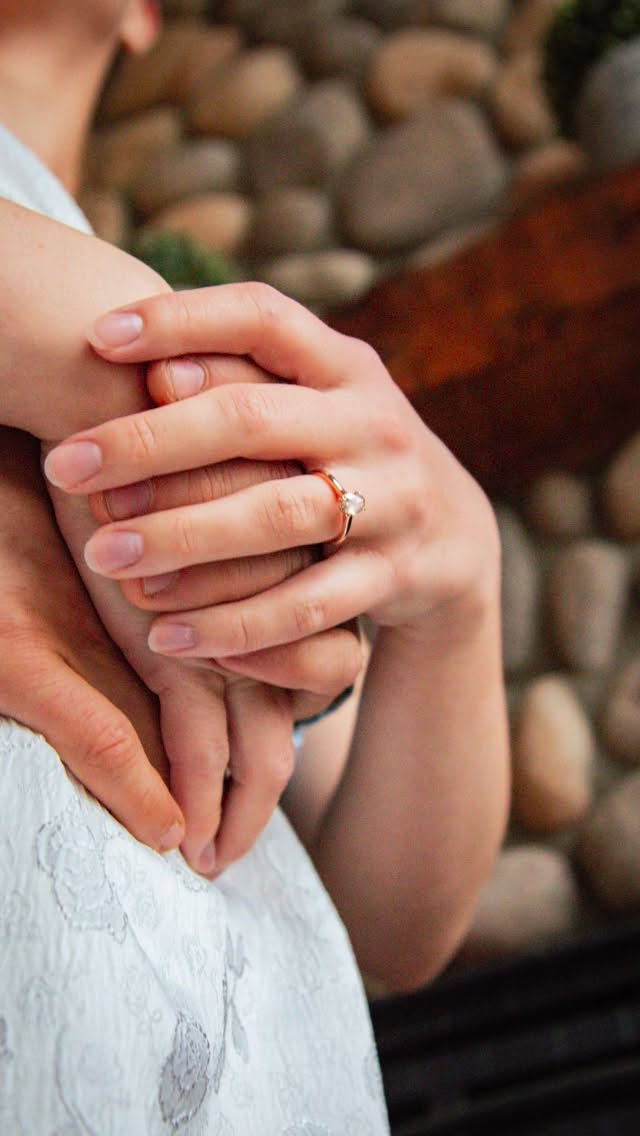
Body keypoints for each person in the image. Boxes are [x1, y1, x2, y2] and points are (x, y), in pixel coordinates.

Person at [0, 1, 510, 1131]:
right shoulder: (185, 351)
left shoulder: (241, 366)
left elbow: (393, 923)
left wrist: (458, 595)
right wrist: (99, 350)